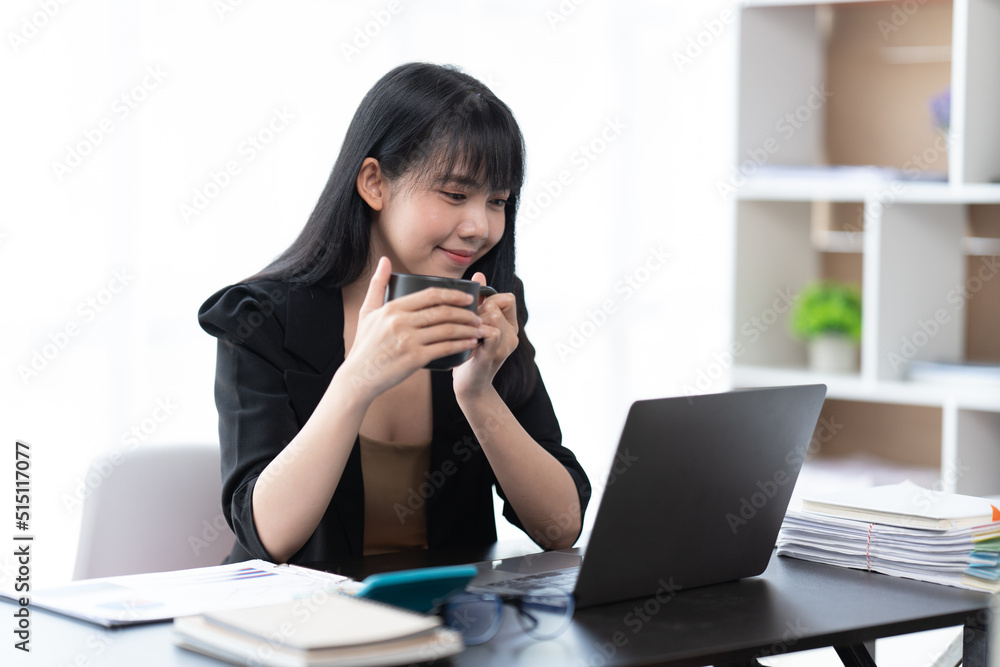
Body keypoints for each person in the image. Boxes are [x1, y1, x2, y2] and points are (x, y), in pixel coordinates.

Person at [198, 62, 590, 565]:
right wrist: (357, 378)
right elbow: (268, 536)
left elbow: (560, 527)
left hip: (445, 629)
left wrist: (478, 394)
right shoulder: (261, 317)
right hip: (298, 630)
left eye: (497, 201)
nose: (479, 226)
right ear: (374, 183)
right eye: (454, 194)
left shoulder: (487, 307)